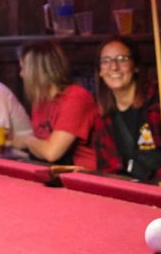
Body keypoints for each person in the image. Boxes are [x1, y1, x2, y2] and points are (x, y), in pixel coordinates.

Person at [93, 36, 161, 182]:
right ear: (100, 71)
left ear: (135, 66)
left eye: (122, 59)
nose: (114, 67)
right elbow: (106, 170)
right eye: (106, 61)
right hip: (126, 194)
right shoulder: (103, 115)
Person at [11, 39, 98, 169]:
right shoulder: (40, 100)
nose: (21, 74)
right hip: (55, 173)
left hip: (85, 179)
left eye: (23, 68)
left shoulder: (76, 97)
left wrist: (25, 141)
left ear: (38, 71)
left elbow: (52, 153)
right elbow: (43, 148)